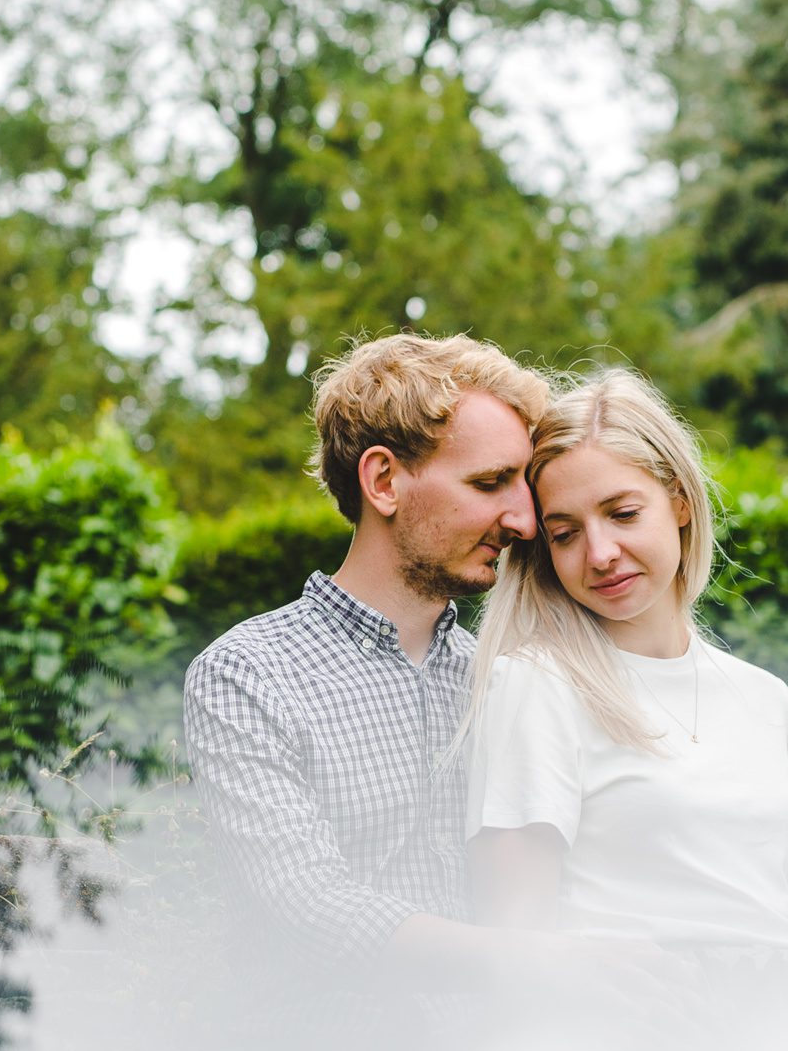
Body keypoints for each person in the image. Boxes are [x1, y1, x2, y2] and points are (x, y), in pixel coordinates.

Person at [183, 333, 670, 994]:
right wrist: (533, 958)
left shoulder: (502, 679)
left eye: (522, 487)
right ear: (384, 480)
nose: (525, 521)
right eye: (491, 482)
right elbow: (307, 903)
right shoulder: (247, 674)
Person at [463, 368, 788, 950]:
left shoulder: (766, 699)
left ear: (678, 502)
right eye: (565, 534)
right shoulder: (535, 685)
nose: (599, 554)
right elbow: (516, 941)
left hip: (780, 1025)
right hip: (636, 1029)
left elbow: (768, 909)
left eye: (622, 514)